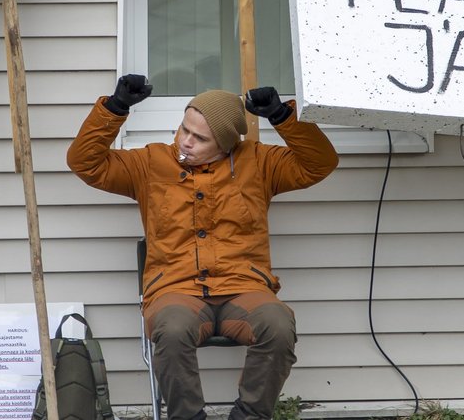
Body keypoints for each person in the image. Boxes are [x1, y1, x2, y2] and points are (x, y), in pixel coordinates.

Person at [66, 74, 339, 420]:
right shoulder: (150, 164)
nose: (186, 142)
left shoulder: (258, 163)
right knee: (173, 329)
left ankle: (250, 415)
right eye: (184, 130)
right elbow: (85, 163)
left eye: (200, 138)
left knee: (278, 324)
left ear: (226, 144)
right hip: (176, 290)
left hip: (243, 288)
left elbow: (320, 163)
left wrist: (282, 117)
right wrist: (116, 109)